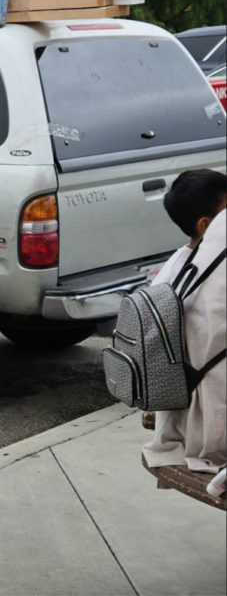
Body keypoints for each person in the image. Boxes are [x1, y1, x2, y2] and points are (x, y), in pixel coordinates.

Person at [143, 169, 226, 473]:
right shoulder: (218, 273)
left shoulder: (176, 265)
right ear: (206, 225)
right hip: (209, 425)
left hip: (177, 416)